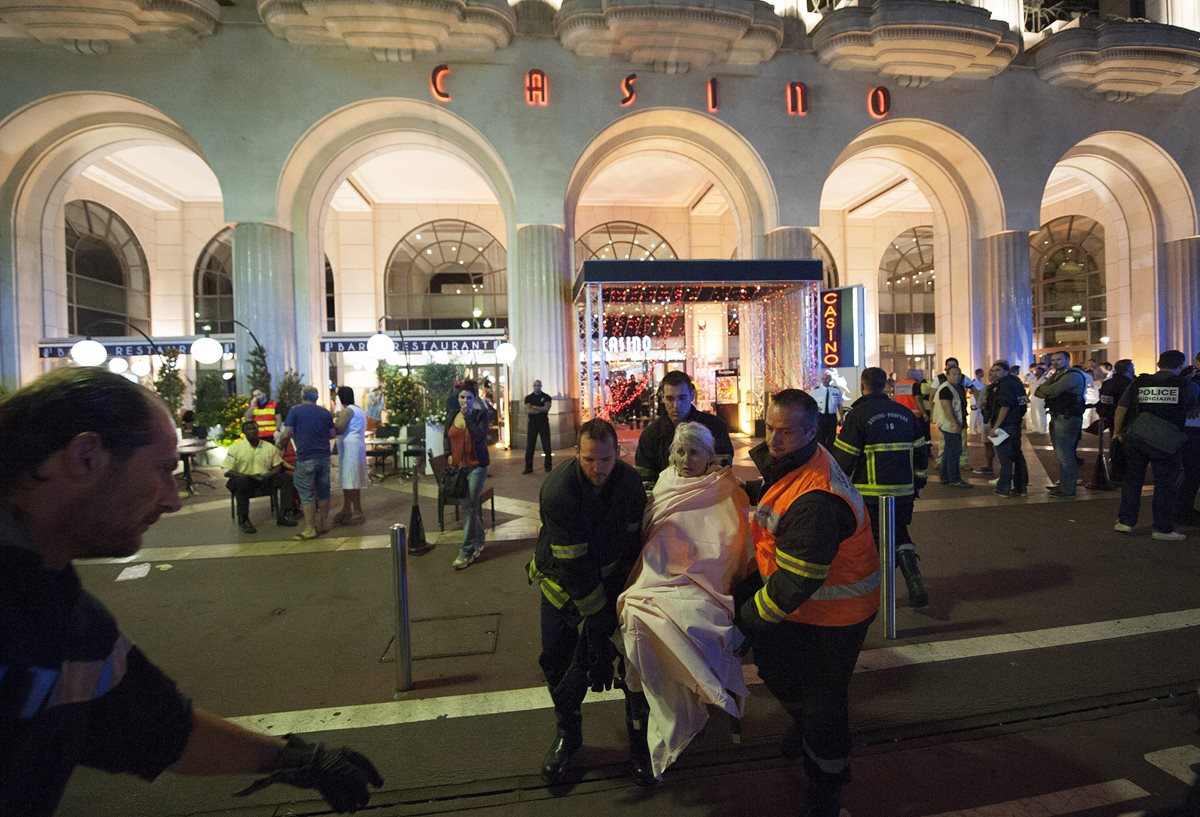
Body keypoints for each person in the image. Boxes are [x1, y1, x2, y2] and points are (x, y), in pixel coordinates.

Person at [0, 368, 382, 817]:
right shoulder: (43, 619)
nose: (173, 499)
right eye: (162, 470)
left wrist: (290, 758)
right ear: (85, 457)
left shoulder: (71, 622)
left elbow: (157, 726)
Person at [734, 389, 878, 817]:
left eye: (786, 432)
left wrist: (745, 622)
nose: (774, 440)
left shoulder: (817, 500)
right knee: (777, 668)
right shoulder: (799, 464)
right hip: (806, 606)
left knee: (824, 706)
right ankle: (803, 724)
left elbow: (797, 580)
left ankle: (826, 788)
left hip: (837, 615)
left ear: (812, 431)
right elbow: (775, 504)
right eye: (770, 429)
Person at [618, 422, 751, 782]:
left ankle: (684, 712)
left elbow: (732, 548)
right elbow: (652, 539)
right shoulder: (663, 484)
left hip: (706, 584)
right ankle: (661, 714)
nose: (685, 458)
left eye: (694, 452)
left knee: (695, 619)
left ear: (710, 456)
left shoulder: (727, 490)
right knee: (637, 617)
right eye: (679, 451)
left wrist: (703, 566)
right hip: (656, 579)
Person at [528, 419, 647, 785]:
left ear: (618, 454)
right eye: (590, 460)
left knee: (634, 662)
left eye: (606, 460)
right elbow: (574, 567)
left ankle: (640, 739)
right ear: (576, 454)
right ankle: (568, 734)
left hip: (613, 583)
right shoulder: (558, 491)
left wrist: (622, 600)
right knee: (559, 661)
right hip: (562, 586)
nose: (598, 468)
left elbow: (632, 545)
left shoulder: (629, 484)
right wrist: (599, 620)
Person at [833, 367, 930, 607]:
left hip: (870, 494)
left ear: (863, 386)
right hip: (904, 492)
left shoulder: (858, 415)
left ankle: (871, 592)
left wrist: (836, 487)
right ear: (885, 385)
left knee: (870, 539)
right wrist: (917, 483)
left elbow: (844, 459)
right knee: (900, 534)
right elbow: (921, 452)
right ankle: (915, 582)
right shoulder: (905, 413)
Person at [1113, 350, 1200, 541]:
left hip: (1137, 438)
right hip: (1167, 442)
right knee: (1165, 485)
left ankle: (1125, 522)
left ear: (1159, 363)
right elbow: (1193, 408)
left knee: (1132, 481)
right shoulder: (1187, 385)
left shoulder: (1139, 382)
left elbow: (1121, 408)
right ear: (1181, 365)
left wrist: (1117, 432)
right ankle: (1162, 528)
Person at [635, 370, 733, 487]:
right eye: (670, 399)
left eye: (682, 398)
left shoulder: (714, 426)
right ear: (662, 398)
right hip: (667, 497)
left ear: (692, 395)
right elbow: (645, 479)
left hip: (708, 493)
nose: (676, 405)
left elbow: (724, 466)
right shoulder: (651, 434)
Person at [276, 387, 336, 541]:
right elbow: (331, 434)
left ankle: (310, 529)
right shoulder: (325, 412)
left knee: (306, 492)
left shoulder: (295, 411)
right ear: (316, 398)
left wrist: (280, 445)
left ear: (302, 396)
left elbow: (287, 433)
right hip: (323, 457)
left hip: (306, 457)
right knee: (323, 491)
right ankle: (322, 524)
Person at [448, 382, 490, 569]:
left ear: (475, 399)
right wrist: (449, 455)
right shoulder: (452, 415)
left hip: (476, 467)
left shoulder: (481, 415)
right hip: (459, 468)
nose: (465, 401)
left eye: (469, 398)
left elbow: (480, 436)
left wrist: (469, 417)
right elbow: (448, 436)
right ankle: (479, 539)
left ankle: (466, 551)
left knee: (469, 508)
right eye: (462, 397)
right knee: (470, 506)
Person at [1036, 350, 1088, 498]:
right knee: (1062, 454)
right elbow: (1039, 391)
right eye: (1053, 360)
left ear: (1067, 360)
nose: (1055, 362)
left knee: (1066, 455)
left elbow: (1052, 389)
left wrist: (1048, 391)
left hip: (1067, 418)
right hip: (1058, 416)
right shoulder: (1058, 375)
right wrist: (1048, 391)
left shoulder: (1072, 375)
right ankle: (1064, 485)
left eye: (1058, 359)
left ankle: (1068, 489)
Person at [224, 420, 291, 533]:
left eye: (254, 429)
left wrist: (268, 474)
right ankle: (244, 519)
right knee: (242, 483)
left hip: (264, 477)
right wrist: (248, 476)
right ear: (243, 432)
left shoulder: (268, 447)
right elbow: (227, 470)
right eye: (249, 429)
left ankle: (284, 514)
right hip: (244, 478)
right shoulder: (236, 448)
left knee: (287, 479)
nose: (252, 431)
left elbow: (278, 466)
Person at [989, 360, 1029, 497]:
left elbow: (1004, 406)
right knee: (1017, 455)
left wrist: (996, 426)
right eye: (993, 371)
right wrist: (1017, 416)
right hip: (1015, 424)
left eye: (998, 370)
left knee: (1004, 458)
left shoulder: (1004, 385)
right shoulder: (1017, 383)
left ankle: (1004, 488)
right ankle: (1021, 486)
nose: (995, 373)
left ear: (1006, 371)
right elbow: (1023, 402)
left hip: (1004, 426)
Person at [1095, 359, 1135, 487]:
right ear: (1129, 369)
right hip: (1124, 420)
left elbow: (1102, 401)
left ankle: (1115, 471)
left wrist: (1103, 415)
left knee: (1115, 444)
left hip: (1109, 418)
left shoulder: (1108, 383)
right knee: (1124, 448)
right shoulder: (1129, 384)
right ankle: (1122, 474)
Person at [333, 386, 368, 526]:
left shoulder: (347, 411)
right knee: (351, 479)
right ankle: (347, 508)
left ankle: (357, 510)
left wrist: (332, 423)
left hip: (350, 448)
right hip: (356, 446)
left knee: (351, 479)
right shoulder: (359, 410)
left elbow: (340, 428)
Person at [931, 366, 971, 488]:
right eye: (953, 374)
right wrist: (955, 423)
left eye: (958, 374)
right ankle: (954, 478)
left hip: (949, 424)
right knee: (954, 451)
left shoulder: (954, 388)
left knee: (948, 451)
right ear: (947, 376)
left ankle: (945, 477)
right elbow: (947, 408)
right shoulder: (946, 389)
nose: (956, 377)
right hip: (950, 425)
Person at [523, 379, 553, 475]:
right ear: (533, 386)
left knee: (547, 445)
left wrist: (535, 407)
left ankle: (548, 467)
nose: (537, 387)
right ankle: (528, 467)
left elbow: (546, 409)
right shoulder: (528, 398)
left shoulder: (546, 397)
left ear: (541, 386)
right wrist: (540, 409)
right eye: (535, 385)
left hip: (543, 423)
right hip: (532, 424)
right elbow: (528, 410)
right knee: (530, 446)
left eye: (539, 385)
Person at [809, 370, 844, 450]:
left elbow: (840, 405)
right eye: (823, 379)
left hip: (832, 417)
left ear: (830, 379)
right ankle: (821, 453)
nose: (825, 380)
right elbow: (810, 404)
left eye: (827, 378)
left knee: (831, 437)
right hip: (820, 417)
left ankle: (830, 454)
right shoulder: (816, 391)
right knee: (821, 437)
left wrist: (841, 418)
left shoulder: (836, 390)